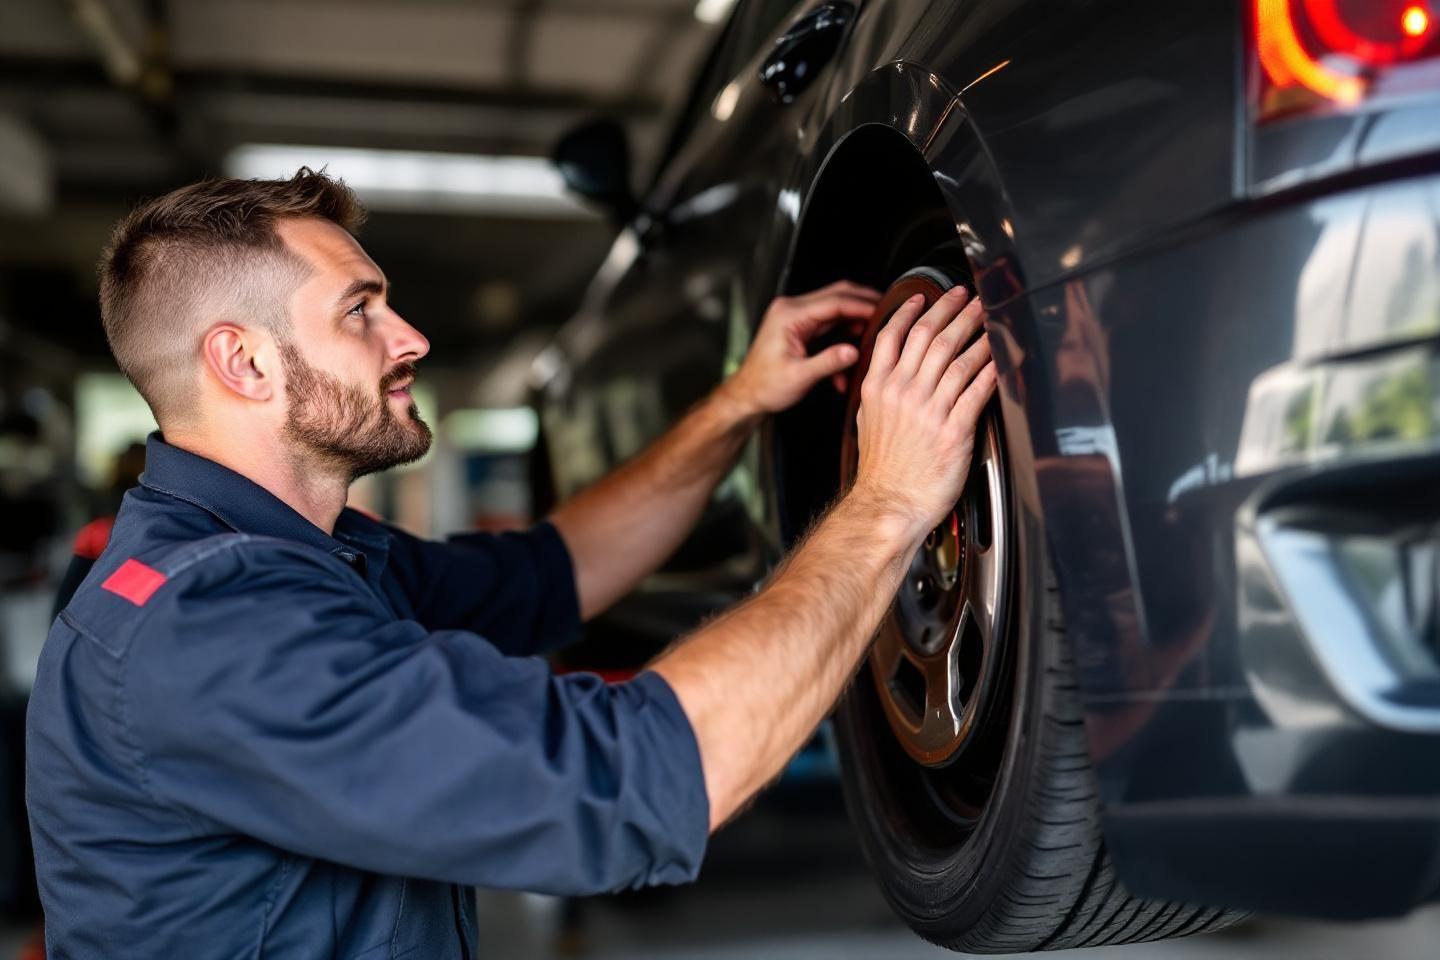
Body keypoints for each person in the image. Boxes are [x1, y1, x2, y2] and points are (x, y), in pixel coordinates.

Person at [26, 170, 996, 957]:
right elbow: (633, 779)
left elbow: (558, 568)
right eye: (361, 311)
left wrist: (739, 402)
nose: (412, 339)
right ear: (244, 363)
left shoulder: (304, 559)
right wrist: (889, 503)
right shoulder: (212, 631)